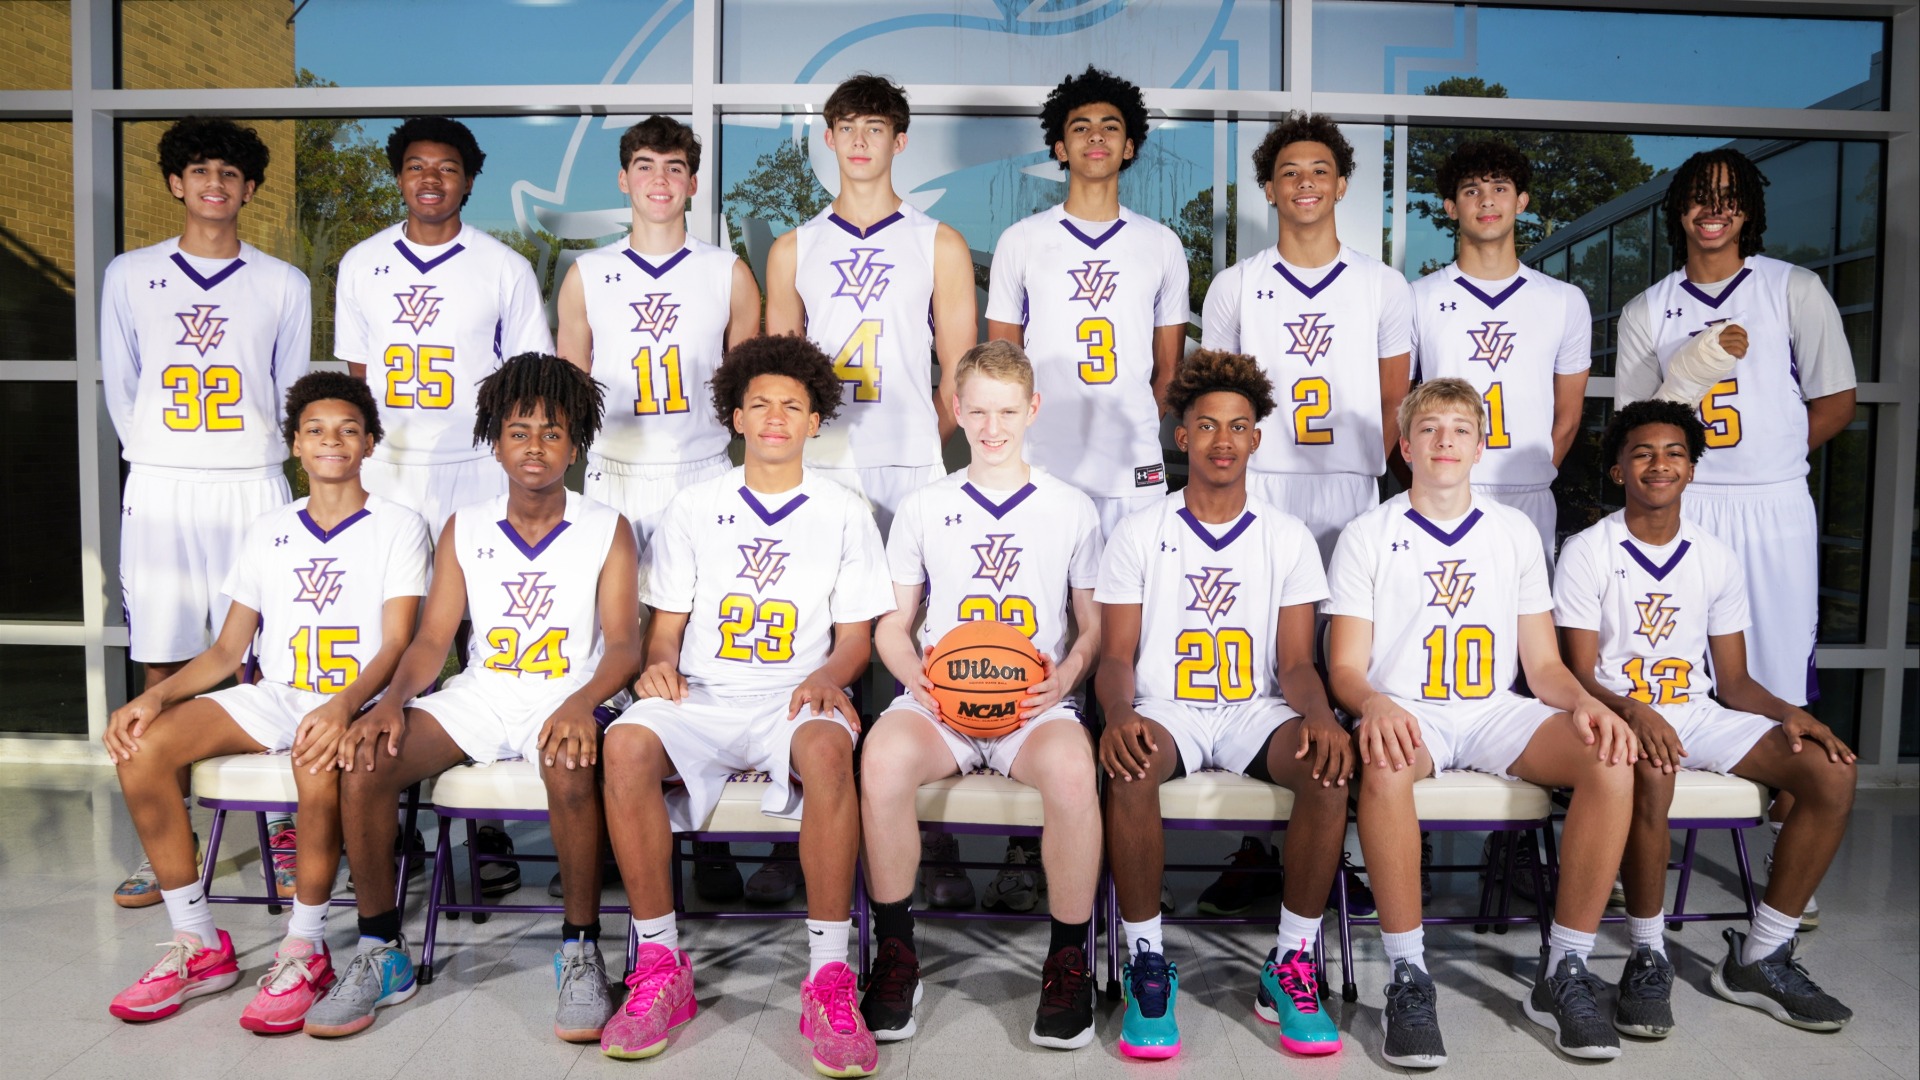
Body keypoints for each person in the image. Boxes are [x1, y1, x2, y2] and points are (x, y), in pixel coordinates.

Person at [304, 353, 640, 1043]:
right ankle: (380, 949)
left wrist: (582, 703)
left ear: (576, 445)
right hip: (483, 692)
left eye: (551, 432)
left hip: (566, 692)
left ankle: (581, 950)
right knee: (365, 760)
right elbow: (432, 640)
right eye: (519, 431)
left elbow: (624, 646)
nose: (535, 446)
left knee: (570, 764)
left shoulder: (608, 527)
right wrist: (391, 701)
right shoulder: (466, 524)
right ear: (494, 443)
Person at [597, 335, 894, 1075]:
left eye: (792, 405)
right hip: (703, 695)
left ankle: (829, 977)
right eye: (759, 403)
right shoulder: (694, 506)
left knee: (829, 750)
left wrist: (830, 677)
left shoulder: (844, 510)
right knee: (625, 744)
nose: (775, 417)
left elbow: (856, 641)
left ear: (815, 421)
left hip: (792, 696)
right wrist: (658, 666)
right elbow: (665, 629)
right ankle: (660, 965)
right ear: (735, 416)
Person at [1325, 377, 1637, 1066]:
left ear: (1480, 445)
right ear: (1406, 446)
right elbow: (1345, 666)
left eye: (1460, 429)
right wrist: (1373, 703)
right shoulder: (1368, 534)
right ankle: (1408, 974)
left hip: (1494, 710)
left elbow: (1543, 665)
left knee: (1610, 758)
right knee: (1383, 764)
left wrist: (1586, 703)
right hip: (1410, 712)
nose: (1445, 441)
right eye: (1429, 429)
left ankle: (1564, 970)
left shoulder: (1514, 531)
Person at [103, 372, 427, 1031]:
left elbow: (398, 643)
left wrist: (343, 705)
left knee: (316, 756)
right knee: (141, 748)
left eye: (347, 430)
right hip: (277, 693)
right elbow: (228, 651)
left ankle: (305, 949)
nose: (331, 441)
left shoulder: (400, 525)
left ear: (369, 442)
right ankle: (198, 942)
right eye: (315, 430)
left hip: (356, 699)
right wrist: (154, 697)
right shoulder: (268, 529)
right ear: (295, 446)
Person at [1554, 399, 1856, 1038]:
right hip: (1616, 716)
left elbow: (1735, 681)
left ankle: (1761, 956)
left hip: (1694, 712)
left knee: (1830, 771)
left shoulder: (1715, 556)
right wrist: (1633, 712)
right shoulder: (1587, 551)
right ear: (1618, 471)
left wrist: (1793, 714)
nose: (1659, 464)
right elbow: (1576, 675)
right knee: (1653, 768)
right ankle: (1648, 954)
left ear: (1692, 469)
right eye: (1642, 453)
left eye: (1674, 453)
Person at [1094, 349, 1351, 1059]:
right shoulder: (1140, 531)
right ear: (1182, 436)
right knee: (1130, 767)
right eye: (1206, 425)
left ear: (1256, 439)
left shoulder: (1287, 536)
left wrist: (1321, 716)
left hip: (1251, 708)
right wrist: (1119, 713)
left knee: (1328, 770)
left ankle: (1290, 961)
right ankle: (1147, 962)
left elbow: (1295, 664)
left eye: (1238, 426)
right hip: (1166, 703)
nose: (1222, 440)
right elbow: (1115, 657)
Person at [857, 340, 1105, 1049]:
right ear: (955, 409)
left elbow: (1092, 627)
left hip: (1033, 705)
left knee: (1072, 773)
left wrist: (1065, 677)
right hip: (941, 701)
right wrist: (916, 676)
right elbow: (892, 625)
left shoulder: (1072, 508)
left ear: (1033, 409)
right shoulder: (924, 506)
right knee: (881, 760)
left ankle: (1068, 961)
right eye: (978, 412)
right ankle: (897, 952)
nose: (992, 428)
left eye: (1007, 412)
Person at [102, 116, 314, 908]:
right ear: (175, 182)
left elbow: (291, 392)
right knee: (162, 659)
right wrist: (160, 453)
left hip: (250, 481)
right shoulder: (130, 274)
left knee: (261, 659)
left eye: (229, 173)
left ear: (250, 189)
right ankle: (172, 833)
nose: (215, 184)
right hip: (161, 484)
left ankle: (280, 827)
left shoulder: (283, 283)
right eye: (199, 171)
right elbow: (123, 386)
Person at [1612, 148, 1856, 712]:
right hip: (1687, 507)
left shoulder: (1794, 288)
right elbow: (1634, 428)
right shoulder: (1646, 309)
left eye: (1728, 198)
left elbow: (1837, 403)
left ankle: (1779, 770)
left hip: (1774, 506)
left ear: (1749, 209)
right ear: (1679, 209)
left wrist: (1773, 457)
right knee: (1676, 673)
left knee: (1778, 681)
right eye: (1700, 198)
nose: (1713, 210)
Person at [764, 73, 977, 538]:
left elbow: (960, 375)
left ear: (899, 142)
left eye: (874, 128)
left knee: (911, 588)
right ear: (829, 138)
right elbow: (782, 380)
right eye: (847, 127)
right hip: (822, 460)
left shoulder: (940, 243)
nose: (859, 141)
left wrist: (923, 443)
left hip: (912, 458)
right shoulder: (792, 249)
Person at [986, 64, 1189, 538]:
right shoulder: (1021, 240)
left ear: (1129, 146)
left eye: (1110, 127)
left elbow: (1169, 371)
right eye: (1080, 128)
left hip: (1133, 465)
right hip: (1044, 460)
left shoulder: (1162, 244)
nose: (1096, 136)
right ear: (1060, 148)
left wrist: (1133, 423)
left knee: (1131, 586)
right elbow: (1002, 368)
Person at [1201, 112, 1413, 563]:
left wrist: (1362, 462)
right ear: (1269, 190)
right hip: (1260, 480)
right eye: (1289, 173)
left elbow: (1395, 398)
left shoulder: (1383, 284)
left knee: (1345, 608)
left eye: (1320, 170)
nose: (1305, 182)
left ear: (1341, 186)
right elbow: (1213, 401)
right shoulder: (1235, 284)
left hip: (1351, 484)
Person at [557, 114, 760, 545]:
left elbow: (749, 390)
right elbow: (570, 390)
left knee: (702, 591)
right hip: (613, 470)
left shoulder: (729, 273)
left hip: (703, 467)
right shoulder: (586, 274)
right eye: (645, 165)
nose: (660, 179)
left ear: (693, 184)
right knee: (614, 592)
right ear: (623, 179)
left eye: (674, 167)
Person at [1409, 137, 1589, 562]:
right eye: (1472, 190)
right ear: (1451, 207)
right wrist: (1429, 477)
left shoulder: (1564, 300)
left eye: (1500, 188)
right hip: (1445, 489)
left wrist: (1535, 472)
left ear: (1521, 201)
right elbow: (1399, 407)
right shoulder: (1418, 297)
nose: (1487, 200)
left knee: (1525, 606)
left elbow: (1567, 417)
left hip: (1529, 492)